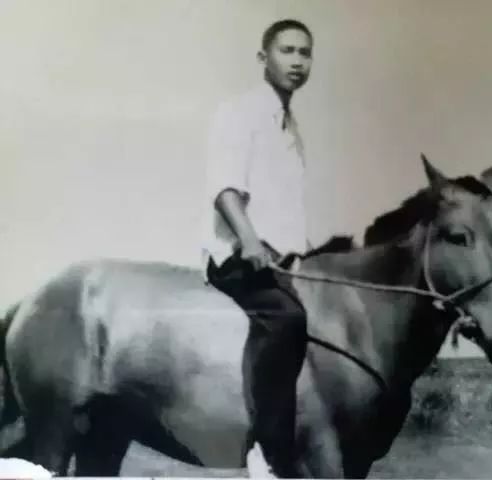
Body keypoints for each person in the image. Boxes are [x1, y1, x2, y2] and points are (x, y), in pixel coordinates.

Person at [201, 18, 314, 478]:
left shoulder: (291, 129)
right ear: (263, 58)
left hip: (281, 263)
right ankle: (265, 454)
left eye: (305, 53)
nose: (297, 61)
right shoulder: (240, 111)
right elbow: (225, 189)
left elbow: (285, 211)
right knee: (287, 318)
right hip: (238, 259)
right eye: (287, 51)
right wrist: (249, 240)